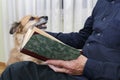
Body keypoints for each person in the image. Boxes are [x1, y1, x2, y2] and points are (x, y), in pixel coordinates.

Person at [1, 0, 120, 80]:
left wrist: (87, 66)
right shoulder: (102, 3)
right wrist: (39, 35)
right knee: (17, 70)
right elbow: (81, 38)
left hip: (100, 73)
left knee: (16, 71)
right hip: (76, 67)